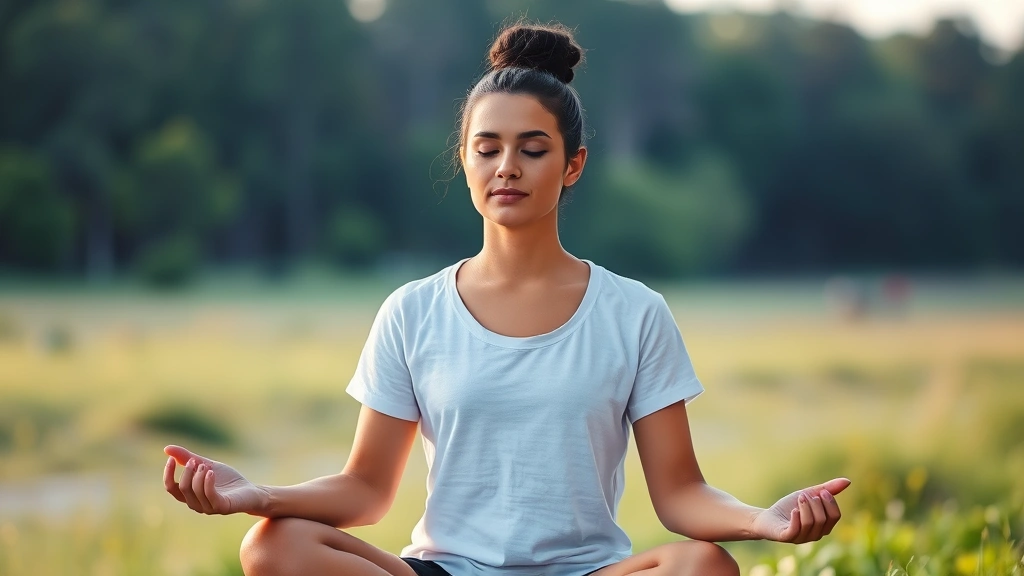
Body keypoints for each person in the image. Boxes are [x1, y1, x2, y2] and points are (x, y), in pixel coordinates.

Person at [163, 21, 850, 576]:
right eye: (487, 148)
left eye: (533, 148)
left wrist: (764, 520)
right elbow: (366, 491)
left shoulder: (635, 313)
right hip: (445, 572)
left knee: (704, 567)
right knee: (273, 546)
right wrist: (254, 496)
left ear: (572, 163)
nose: (507, 168)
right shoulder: (413, 311)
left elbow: (679, 496)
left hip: (586, 571)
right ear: (464, 158)